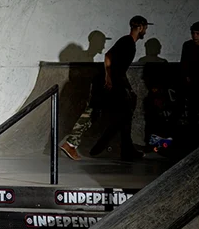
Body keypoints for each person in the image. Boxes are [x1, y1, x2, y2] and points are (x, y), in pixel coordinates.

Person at [60, 16, 150, 161]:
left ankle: (122, 148)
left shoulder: (129, 43)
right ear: (140, 27)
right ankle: (73, 143)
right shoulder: (127, 41)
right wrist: (108, 78)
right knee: (97, 112)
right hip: (110, 84)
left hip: (114, 83)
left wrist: (127, 87)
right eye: (145, 28)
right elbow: (108, 57)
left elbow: (119, 68)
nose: (145, 31)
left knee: (120, 114)